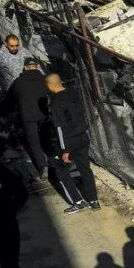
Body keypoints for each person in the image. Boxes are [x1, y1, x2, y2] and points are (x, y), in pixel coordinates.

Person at [45, 73, 99, 213]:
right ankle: (94, 200)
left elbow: (59, 129)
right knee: (85, 169)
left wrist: (64, 150)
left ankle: (78, 201)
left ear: (50, 86)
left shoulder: (55, 103)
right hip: (83, 136)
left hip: (70, 141)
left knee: (60, 170)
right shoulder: (73, 93)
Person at [5, 57, 49, 178]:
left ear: (24, 67)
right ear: (37, 67)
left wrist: (5, 113)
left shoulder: (18, 82)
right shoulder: (45, 79)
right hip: (44, 114)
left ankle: (42, 166)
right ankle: (53, 158)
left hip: (27, 117)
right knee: (46, 137)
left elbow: (8, 101)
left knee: (34, 142)